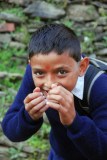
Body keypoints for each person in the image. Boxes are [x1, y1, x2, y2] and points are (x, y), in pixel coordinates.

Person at [1, 23, 107, 160]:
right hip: (60, 154)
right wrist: (28, 116)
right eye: (39, 72)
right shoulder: (36, 72)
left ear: (82, 67)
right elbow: (10, 129)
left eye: (62, 72)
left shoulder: (100, 87)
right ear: (31, 66)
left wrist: (74, 122)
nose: (50, 83)